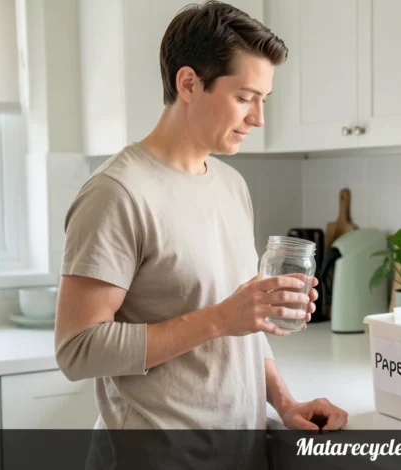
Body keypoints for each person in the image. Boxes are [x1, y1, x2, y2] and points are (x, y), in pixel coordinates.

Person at [54, 0, 348, 440]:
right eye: (245, 98)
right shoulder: (117, 192)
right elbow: (77, 350)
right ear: (189, 83)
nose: (259, 118)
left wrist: (284, 402)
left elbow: (243, 327)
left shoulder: (231, 185)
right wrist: (220, 318)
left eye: (263, 100)